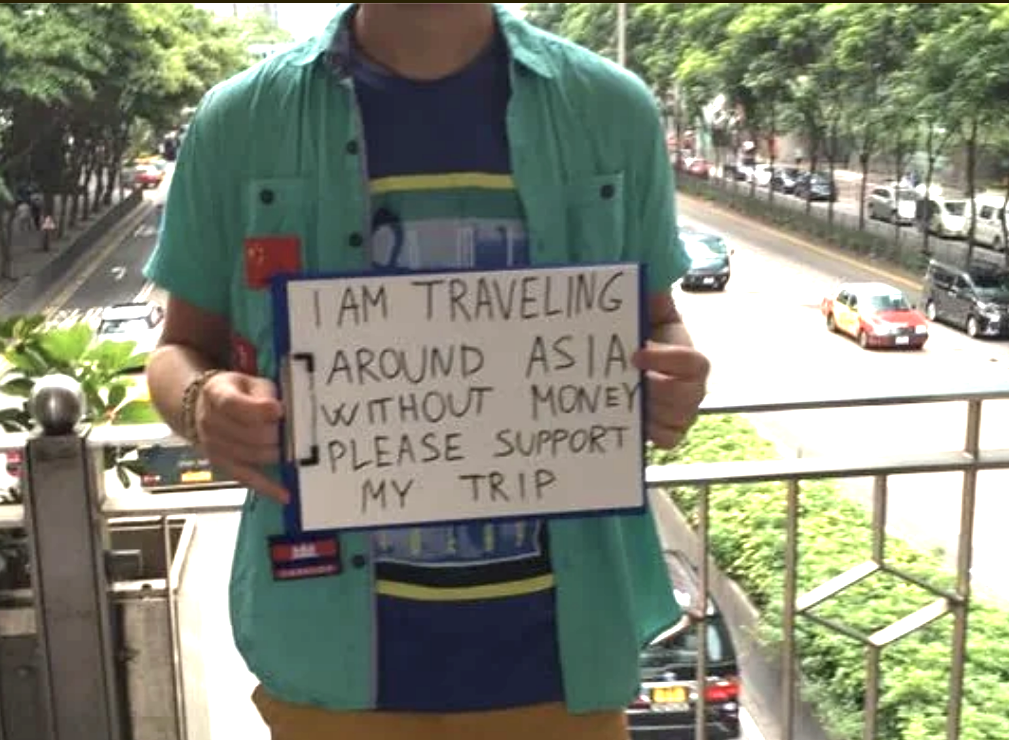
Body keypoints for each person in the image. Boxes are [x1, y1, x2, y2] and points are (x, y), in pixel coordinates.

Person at [143, 5, 711, 740]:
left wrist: (675, 380)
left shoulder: (608, 110)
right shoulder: (243, 121)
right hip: (329, 660)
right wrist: (199, 402)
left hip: (559, 661)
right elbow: (177, 348)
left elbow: (657, 318)